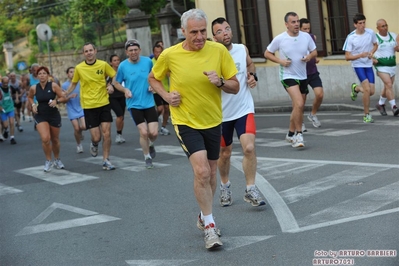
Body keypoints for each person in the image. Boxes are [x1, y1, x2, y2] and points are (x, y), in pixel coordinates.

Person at [149, 9, 239, 250]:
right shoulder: (169, 55)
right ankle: (210, 227)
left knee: (211, 174)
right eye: (194, 32)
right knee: (201, 172)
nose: (199, 36)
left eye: (202, 31)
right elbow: (154, 78)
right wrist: (167, 96)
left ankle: (203, 213)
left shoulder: (218, 51)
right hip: (185, 121)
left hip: (212, 120)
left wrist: (219, 81)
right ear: (183, 32)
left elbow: (235, 85)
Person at [211, 17, 265, 208]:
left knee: (249, 148)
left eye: (227, 28)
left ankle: (250, 189)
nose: (225, 33)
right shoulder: (211, 56)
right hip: (222, 114)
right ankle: (225, 185)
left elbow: (250, 64)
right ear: (214, 37)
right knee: (224, 154)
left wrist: (252, 76)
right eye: (219, 31)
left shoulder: (242, 49)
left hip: (244, 108)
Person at [64, 43, 129, 170]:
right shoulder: (79, 68)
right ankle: (94, 143)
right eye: (86, 51)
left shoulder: (103, 65)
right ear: (84, 53)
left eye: (90, 50)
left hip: (104, 103)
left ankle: (106, 160)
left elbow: (113, 75)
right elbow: (73, 83)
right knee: (97, 137)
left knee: (107, 134)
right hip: (89, 106)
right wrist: (65, 93)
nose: (89, 53)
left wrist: (110, 85)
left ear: (95, 51)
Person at [264, 12, 317, 148]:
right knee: (299, 103)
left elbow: (314, 51)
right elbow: (267, 53)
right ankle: (299, 135)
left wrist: (308, 57)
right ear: (286, 24)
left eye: (297, 21)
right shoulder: (280, 38)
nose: (296, 24)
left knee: (297, 107)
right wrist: (280, 61)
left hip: (303, 76)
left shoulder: (306, 37)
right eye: (293, 22)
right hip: (287, 76)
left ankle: (290, 133)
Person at [114, 39, 158, 169]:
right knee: (143, 132)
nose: (133, 52)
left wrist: (152, 86)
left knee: (153, 133)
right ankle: (147, 157)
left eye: (135, 50)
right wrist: (125, 90)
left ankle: (150, 144)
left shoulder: (147, 62)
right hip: (134, 104)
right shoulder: (123, 66)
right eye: (130, 50)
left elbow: (155, 76)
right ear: (126, 52)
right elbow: (116, 83)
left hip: (149, 102)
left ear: (139, 50)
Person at [27, 66, 67, 171]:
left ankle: (57, 159)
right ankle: (48, 160)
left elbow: (63, 97)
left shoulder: (53, 86)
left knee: (55, 139)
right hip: (40, 114)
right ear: (37, 76)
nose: (42, 75)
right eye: (40, 74)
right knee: (45, 138)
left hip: (53, 115)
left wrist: (56, 101)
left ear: (48, 75)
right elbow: (30, 97)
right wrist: (33, 105)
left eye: (44, 73)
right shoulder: (34, 88)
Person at [343, 13, 378, 123]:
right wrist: (360, 55)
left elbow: (375, 45)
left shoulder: (370, 32)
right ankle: (366, 115)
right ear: (355, 25)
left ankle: (356, 88)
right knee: (367, 89)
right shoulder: (351, 37)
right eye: (360, 23)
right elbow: (347, 57)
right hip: (358, 65)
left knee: (371, 91)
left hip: (368, 64)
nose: (362, 25)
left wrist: (371, 53)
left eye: (364, 22)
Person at [299, 18, 324, 128]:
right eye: (304, 29)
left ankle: (313, 114)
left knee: (320, 94)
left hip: (312, 71)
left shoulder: (312, 37)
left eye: (308, 28)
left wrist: (315, 58)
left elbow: (313, 51)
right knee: (301, 100)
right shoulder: (295, 40)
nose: (307, 31)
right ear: (299, 29)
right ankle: (300, 121)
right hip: (301, 73)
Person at [373, 19, 399, 116]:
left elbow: (398, 47)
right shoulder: (375, 38)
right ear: (378, 28)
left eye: (386, 25)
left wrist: (398, 48)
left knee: (387, 86)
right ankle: (394, 107)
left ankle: (380, 104)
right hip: (381, 65)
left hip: (392, 65)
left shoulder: (393, 35)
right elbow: (369, 51)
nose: (385, 28)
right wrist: (372, 59)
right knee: (388, 84)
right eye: (382, 26)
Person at [61, 67, 86, 153]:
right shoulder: (64, 85)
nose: (73, 74)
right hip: (71, 108)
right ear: (67, 74)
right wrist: (69, 96)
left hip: (81, 107)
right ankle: (79, 145)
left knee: (84, 126)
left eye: (75, 72)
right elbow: (63, 100)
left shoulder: (81, 82)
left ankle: (80, 133)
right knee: (76, 128)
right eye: (71, 72)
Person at [151, 44, 171, 136]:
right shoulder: (150, 62)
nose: (158, 54)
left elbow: (170, 75)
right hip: (156, 89)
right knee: (160, 108)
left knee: (167, 108)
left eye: (160, 52)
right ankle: (152, 121)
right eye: (156, 52)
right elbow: (148, 76)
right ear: (153, 53)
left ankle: (163, 127)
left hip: (166, 88)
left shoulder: (166, 61)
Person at [107, 54, 127, 144]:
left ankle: (120, 134)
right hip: (112, 97)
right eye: (114, 60)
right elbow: (104, 82)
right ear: (111, 62)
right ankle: (118, 135)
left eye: (118, 60)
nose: (117, 62)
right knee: (119, 115)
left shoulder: (122, 70)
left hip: (122, 95)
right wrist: (108, 86)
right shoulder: (108, 72)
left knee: (122, 117)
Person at [0, 76, 17, 144]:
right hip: (3, 109)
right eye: (4, 83)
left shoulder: (10, 87)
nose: (6, 84)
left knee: (12, 122)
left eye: (7, 82)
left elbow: (16, 92)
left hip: (10, 107)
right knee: (5, 125)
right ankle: (6, 130)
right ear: (2, 82)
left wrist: (17, 98)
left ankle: (12, 137)